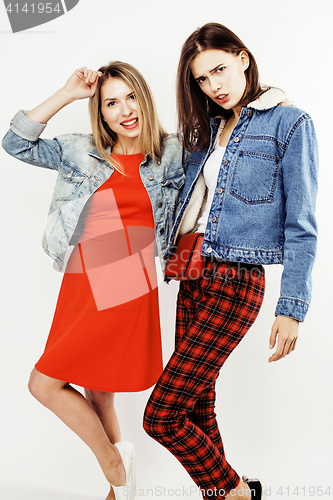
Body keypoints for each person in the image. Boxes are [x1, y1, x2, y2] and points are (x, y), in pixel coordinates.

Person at [143, 23, 318, 500]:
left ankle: (237, 494)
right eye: (201, 79)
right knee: (195, 407)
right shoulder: (205, 131)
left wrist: (291, 308)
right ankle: (226, 494)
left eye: (218, 69)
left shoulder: (290, 123)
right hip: (192, 271)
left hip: (237, 277)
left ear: (242, 57)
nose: (213, 86)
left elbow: (302, 223)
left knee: (160, 415)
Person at [2, 62, 187, 500]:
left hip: (128, 282)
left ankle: (115, 467)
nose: (125, 110)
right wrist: (68, 93)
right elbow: (15, 143)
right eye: (111, 102)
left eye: (131, 98)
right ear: (100, 113)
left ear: (144, 98)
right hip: (81, 280)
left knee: (43, 383)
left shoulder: (174, 152)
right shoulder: (81, 151)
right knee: (96, 393)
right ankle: (118, 486)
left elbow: (223, 140)